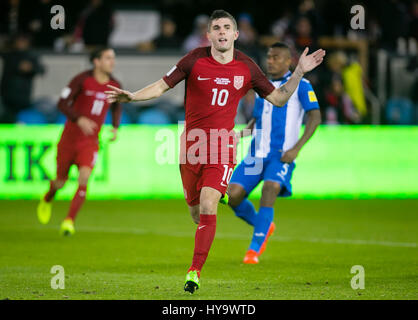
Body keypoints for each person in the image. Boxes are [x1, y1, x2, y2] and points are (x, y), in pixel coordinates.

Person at [105, 9, 325, 294]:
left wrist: (299, 71)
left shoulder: (247, 67)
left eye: (226, 28)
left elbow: (279, 98)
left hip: (222, 146)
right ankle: (222, 202)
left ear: (235, 34)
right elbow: (161, 86)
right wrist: (133, 96)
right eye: (216, 28)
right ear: (208, 34)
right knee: (197, 214)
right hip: (191, 147)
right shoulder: (193, 59)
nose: (221, 32)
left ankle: (194, 271)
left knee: (210, 204)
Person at [225, 42, 322, 264]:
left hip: (280, 155)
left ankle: (253, 250)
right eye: (269, 57)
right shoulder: (262, 87)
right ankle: (265, 225)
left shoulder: (303, 85)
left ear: (289, 61)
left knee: (271, 188)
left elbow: (315, 117)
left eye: (276, 57)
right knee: (232, 195)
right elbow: (257, 121)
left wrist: (296, 148)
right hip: (255, 154)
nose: (270, 61)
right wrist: (240, 135)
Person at [36, 47, 122, 236]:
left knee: (84, 177)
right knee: (60, 182)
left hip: (90, 142)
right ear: (96, 61)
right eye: (108, 58)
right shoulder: (82, 80)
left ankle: (69, 221)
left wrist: (115, 127)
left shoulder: (114, 84)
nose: (112, 62)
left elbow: (117, 107)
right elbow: (61, 103)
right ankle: (48, 197)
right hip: (69, 139)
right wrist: (79, 119)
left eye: (113, 58)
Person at [0, 33, 45, 123]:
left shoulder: (31, 55)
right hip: (7, 94)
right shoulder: (9, 55)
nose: (21, 43)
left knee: (23, 119)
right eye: (18, 41)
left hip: (23, 95)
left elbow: (41, 70)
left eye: (23, 41)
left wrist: (30, 68)